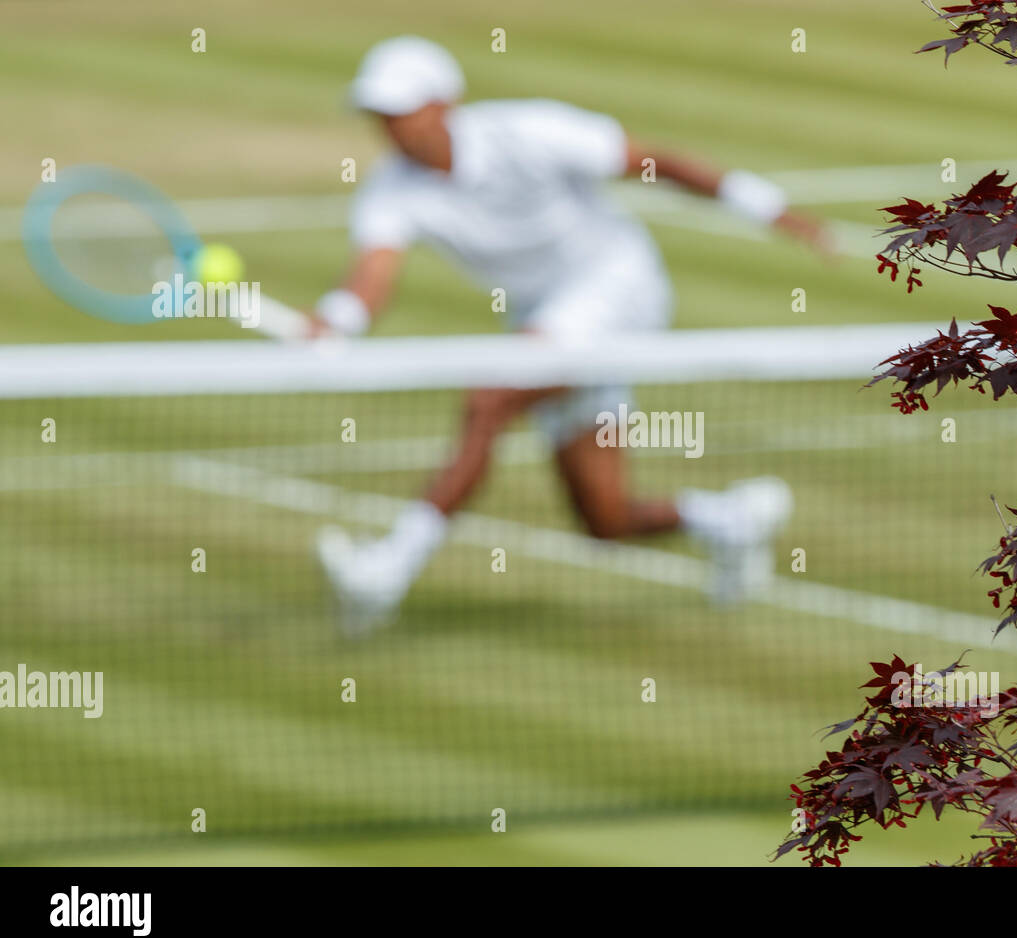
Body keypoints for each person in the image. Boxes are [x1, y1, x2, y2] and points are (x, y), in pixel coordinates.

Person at [311, 36, 831, 635]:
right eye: (381, 116)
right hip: (544, 315)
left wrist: (768, 208)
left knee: (489, 401)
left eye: (400, 112)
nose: (391, 129)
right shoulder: (390, 188)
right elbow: (372, 275)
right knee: (604, 520)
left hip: (617, 287)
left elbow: (653, 161)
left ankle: (386, 571)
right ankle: (732, 521)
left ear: (443, 104)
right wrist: (337, 320)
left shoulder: (531, 130)